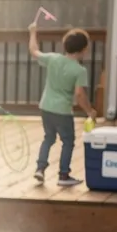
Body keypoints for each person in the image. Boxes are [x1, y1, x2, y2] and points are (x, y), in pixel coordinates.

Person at [29, 24, 97, 188]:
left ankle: (40, 168)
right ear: (83, 49)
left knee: (48, 138)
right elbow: (80, 95)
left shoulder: (53, 58)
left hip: (46, 107)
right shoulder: (79, 71)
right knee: (68, 141)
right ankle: (64, 175)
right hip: (63, 112)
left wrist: (32, 33)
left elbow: (34, 51)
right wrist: (90, 111)